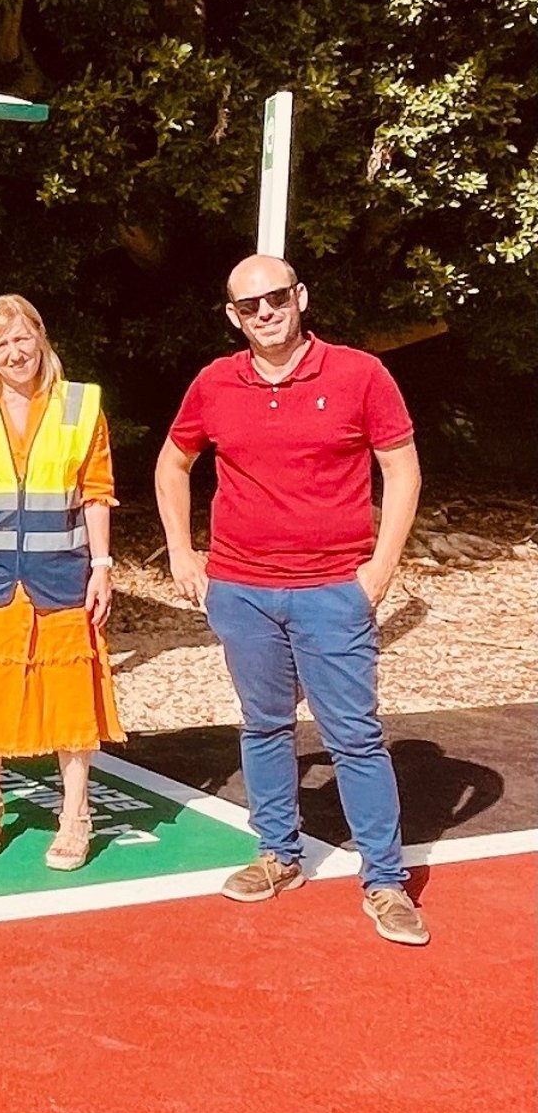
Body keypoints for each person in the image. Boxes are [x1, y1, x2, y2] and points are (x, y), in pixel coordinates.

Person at [156, 254, 428, 946]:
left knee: (355, 736)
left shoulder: (360, 373)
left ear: (301, 296)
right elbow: (173, 460)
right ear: (232, 315)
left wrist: (380, 569)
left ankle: (386, 880)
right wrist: (184, 552)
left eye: (277, 297)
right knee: (264, 724)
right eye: (250, 305)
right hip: (242, 588)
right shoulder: (216, 381)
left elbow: (401, 469)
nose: (266, 313)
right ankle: (279, 853)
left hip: (333, 588)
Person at [0, 295, 122, 871]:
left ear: (41, 337)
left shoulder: (81, 405)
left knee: (70, 696)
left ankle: (76, 812)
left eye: (21, 339)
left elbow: (96, 489)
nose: (14, 353)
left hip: (61, 575)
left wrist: (103, 566)